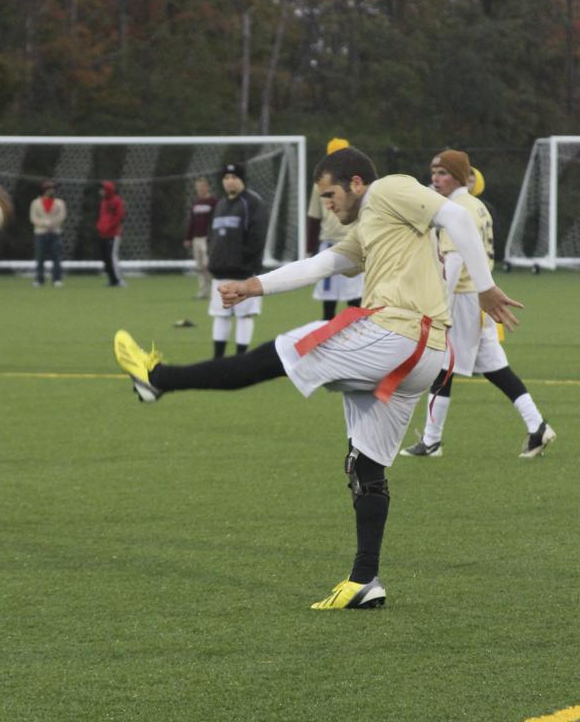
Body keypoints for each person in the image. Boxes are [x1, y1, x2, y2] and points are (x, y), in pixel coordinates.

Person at [114, 146, 521, 609]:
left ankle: (159, 378)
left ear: (355, 183)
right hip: (423, 355)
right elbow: (320, 266)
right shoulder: (371, 228)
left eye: (330, 194)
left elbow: (458, 219)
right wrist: (254, 285)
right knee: (365, 464)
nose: (327, 205)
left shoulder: (389, 189)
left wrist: (485, 286)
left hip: (398, 334)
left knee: (283, 350)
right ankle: (365, 580)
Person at [401, 150, 555, 459]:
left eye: (442, 172)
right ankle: (537, 425)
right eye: (433, 171)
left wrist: (440, 308)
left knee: (443, 367)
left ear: (458, 176)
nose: (435, 177)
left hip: (463, 298)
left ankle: (431, 441)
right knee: (496, 368)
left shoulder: (457, 208)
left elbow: (455, 262)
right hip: (480, 296)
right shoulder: (476, 205)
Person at [207, 163, 268, 358]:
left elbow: (257, 237)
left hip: (244, 273)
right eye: (226, 178)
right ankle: (218, 360)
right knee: (221, 315)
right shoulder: (220, 205)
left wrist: (246, 263)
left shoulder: (252, 203)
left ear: (242, 180)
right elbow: (213, 237)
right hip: (220, 271)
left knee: (244, 315)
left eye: (234, 177)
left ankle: (241, 358)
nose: (229, 181)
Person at [307, 138, 363, 319]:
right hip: (330, 244)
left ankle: (356, 341)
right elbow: (314, 216)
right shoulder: (320, 184)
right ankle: (327, 340)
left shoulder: (357, 182)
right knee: (328, 300)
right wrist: (310, 248)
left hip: (354, 244)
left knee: (355, 298)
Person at [183, 177, 218, 299]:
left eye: (202, 186)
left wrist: (214, 236)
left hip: (208, 238)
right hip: (196, 239)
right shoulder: (196, 203)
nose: (200, 189)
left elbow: (216, 221)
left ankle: (216, 289)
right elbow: (192, 221)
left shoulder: (214, 202)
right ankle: (203, 291)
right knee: (199, 266)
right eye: (197, 187)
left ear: (207, 187)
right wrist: (188, 237)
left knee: (208, 264)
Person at [29, 179, 66, 287]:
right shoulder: (35, 203)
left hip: (55, 232)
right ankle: (39, 279)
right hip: (40, 233)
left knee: (56, 257)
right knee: (40, 257)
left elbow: (62, 216)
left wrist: (53, 223)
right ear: (46, 190)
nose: (53, 191)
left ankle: (57, 279)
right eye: (51, 189)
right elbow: (33, 218)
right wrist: (44, 223)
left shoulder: (59, 203)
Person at [96, 180, 126, 287]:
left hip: (113, 234)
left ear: (107, 190)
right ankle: (112, 280)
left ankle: (119, 280)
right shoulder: (103, 202)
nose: (100, 192)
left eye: (102, 189)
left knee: (112, 257)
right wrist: (100, 227)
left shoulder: (117, 201)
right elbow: (102, 217)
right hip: (103, 234)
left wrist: (109, 227)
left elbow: (119, 217)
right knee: (106, 259)